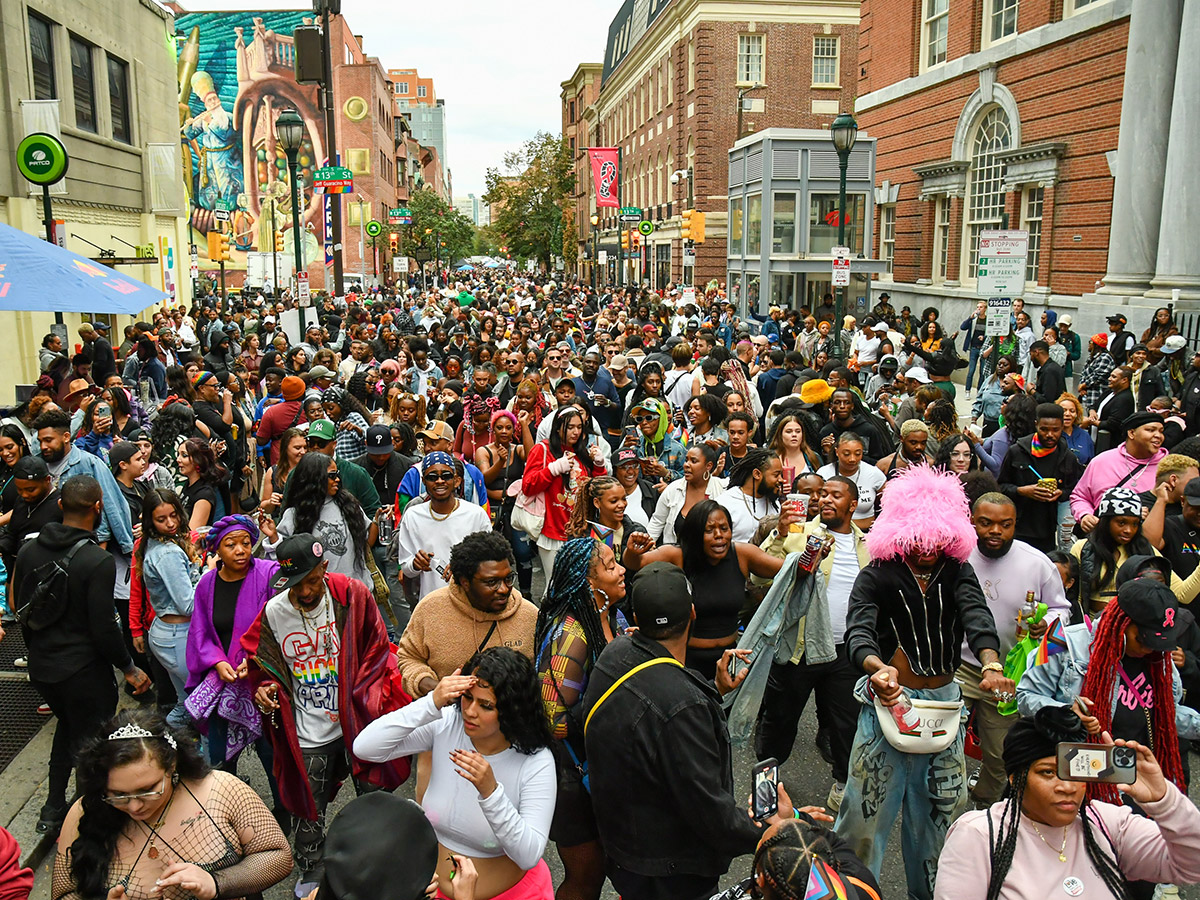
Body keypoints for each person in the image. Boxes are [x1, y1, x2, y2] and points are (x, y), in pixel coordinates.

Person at [834, 464, 1010, 900]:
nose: (928, 547)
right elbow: (859, 628)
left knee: (942, 820)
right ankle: (852, 894)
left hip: (945, 705)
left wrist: (990, 664)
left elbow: (976, 615)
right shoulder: (878, 572)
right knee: (863, 816)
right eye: (919, 538)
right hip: (887, 704)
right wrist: (877, 669)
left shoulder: (957, 570)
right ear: (900, 530)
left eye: (937, 538)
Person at [582, 562, 790, 900]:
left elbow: (651, 719)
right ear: (693, 613)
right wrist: (776, 831)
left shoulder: (615, 653)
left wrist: (713, 690)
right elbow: (710, 812)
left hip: (622, 849)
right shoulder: (685, 706)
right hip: (668, 871)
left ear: (635, 618)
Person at [242, 533, 411, 895]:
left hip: (359, 722)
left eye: (312, 580)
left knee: (374, 799)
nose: (305, 592)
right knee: (307, 807)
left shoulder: (352, 595)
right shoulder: (274, 612)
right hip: (308, 728)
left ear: (324, 567)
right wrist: (266, 688)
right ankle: (311, 871)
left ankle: (378, 862)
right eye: (296, 584)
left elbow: (378, 650)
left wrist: (364, 699)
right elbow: (262, 663)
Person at [935, 704, 1200, 900]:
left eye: (1075, 773)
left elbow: (1192, 866)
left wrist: (1164, 801)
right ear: (1015, 779)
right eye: (1048, 773)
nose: (1067, 787)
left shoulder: (1107, 823)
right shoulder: (979, 835)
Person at [8, 475, 151, 836]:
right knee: (92, 746)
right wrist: (129, 667)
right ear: (98, 507)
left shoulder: (28, 551)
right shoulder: (96, 561)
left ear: (60, 505)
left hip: (44, 669)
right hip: (84, 672)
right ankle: (86, 821)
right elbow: (104, 627)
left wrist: (37, 651)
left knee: (68, 727)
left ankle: (53, 808)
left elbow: (21, 611)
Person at [355, 648, 557, 900]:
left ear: (512, 710)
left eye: (486, 705)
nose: (470, 711)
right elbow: (365, 747)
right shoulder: (449, 722)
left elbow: (529, 855)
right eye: (467, 697)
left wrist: (491, 793)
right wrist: (431, 702)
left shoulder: (536, 761)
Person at [51, 708, 293, 900]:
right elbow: (64, 893)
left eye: (148, 790)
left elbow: (278, 856)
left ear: (172, 766)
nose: (134, 807)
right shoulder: (84, 811)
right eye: (118, 794)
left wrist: (217, 882)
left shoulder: (221, 789)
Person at [756, 476, 869, 812]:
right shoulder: (800, 532)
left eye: (836, 495)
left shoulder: (867, 545)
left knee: (847, 723)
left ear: (853, 504)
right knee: (779, 720)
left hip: (844, 651)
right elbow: (759, 576)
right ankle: (765, 787)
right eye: (823, 495)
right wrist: (779, 534)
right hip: (799, 649)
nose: (826, 500)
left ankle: (842, 785)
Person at [532, 537, 630, 900]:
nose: (622, 570)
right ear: (589, 584)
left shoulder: (614, 617)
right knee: (586, 876)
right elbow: (554, 721)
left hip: (604, 769)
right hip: (573, 777)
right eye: (611, 566)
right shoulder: (570, 637)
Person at [960, 493, 1070, 806]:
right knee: (945, 743)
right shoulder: (959, 555)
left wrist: (1046, 623)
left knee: (1001, 754)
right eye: (986, 523)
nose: (995, 531)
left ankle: (985, 807)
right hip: (960, 667)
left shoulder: (1037, 563)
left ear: (1015, 525)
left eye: (1005, 525)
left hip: (1010, 673)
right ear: (972, 521)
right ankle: (945, 805)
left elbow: (1062, 609)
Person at [625, 500, 782, 679]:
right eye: (709, 530)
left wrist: (802, 545)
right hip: (687, 660)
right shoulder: (677, 555)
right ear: (695, 534)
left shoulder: (743, 554)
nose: (719, 535)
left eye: (724, 528)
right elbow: (635, 563)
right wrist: (632, 551)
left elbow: (789, 569)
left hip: (729, 660)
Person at [184, 516, 281, 804]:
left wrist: (255, 660)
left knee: (272, 756)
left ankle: (285, 814)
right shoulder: (207, 584)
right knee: (220, 760)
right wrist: (216, 661)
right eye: (231, 544)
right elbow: (200, 632)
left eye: (246, 543)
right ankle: (226, 811)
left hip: (262, 679)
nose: (240, 550)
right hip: (223, 681)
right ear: (217, 549)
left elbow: (279, 624)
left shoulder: (267, 574)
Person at [396, 530, 538, 700]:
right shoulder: (430, 609)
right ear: (465, 582)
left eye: (508, 579)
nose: (504, 589)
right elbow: (409, 658)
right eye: (491, 582)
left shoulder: (530, 616)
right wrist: (436, 690)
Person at [1068, 488, 1200, 615]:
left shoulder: (1146, 550)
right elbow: (1076, 598)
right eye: (1121, 523)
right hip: (1093, 625)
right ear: (1105, 521)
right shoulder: (1082, 549)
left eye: (1135, 524)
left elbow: (1182, 594)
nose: (1129, 530)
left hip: (1133, 626)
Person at [263, 452, 378, 595]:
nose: (337, 479)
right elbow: (284, 560)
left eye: (337, 474)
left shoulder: (349, 506)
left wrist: (377, 520)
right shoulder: (294, 515)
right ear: (316, 478)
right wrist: (273, 536)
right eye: (332, 475)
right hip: (317, 597)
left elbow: (367, 543)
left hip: (355, 593)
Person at [136, 489, 202, 729]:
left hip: (165, 632)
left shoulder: (157, 543)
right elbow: (188, 605)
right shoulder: (168, 553)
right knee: (202, 702)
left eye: (173, 515)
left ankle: (167, 742)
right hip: (177, 637)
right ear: (150, 521)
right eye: (161, 519)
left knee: (185, 704)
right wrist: (209, 571)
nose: (171, 523)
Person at [394, 452, 494, 603]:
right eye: (432, 477)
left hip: (471, 601)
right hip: (431, 603)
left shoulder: (476, 515)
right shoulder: (413, 516)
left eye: (446, 476)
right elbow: (406, 568)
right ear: (424, 481)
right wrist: (415, 564)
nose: (439, 481)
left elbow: (491, 560)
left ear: (456, 480)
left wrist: (464, 568)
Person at [521, 408, 606, 583]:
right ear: (558, 428)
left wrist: (599, 465)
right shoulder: (542, 449)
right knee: (555, 586)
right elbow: (528, 486)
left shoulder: (583, 453)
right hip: (553, 531)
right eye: (570, 427)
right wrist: (553, 469)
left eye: (579, 427)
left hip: (581, 532)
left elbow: (597, 491)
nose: (576, 432)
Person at [33, 407, 135, 553]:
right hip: (47, 544)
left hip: (86, 546)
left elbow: (112, 505)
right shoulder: (37, 466)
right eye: (40, 441)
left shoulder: (89, 464)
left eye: (48, 440)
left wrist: (125, 546)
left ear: (66, 437)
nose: (43, 446)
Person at [997, 403, 1083, 553]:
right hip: (1017, 527)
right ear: (1036, 425)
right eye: (1044, 429)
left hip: (1047, 531)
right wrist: (1021, 491)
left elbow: (1074, 490)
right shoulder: (1017, 452)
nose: (1050, 434)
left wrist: (1060, 493)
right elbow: (1000, 487)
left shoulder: (1067, 457)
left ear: (1062, 427)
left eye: (1055, 430)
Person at [1070, 412, 1166, 535]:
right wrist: (1085, 515)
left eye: (1161, 431)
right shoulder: (1102, 461)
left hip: (1145, 542)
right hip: (1101, 538)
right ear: (1131, 433)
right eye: (1150, 430)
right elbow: (1080, 496)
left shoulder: (1168, 468)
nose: (1158, 435)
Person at [648, 444, 727, 546]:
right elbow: (657, 522)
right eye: (686, 460)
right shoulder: (673, 489)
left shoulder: (722, 489)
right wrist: (645, 546)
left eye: (693, 461)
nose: (686, 465)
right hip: (674, 553)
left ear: (708, 466)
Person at [817, 433, 885, 530]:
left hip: (866, 532)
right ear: (837, 452)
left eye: (858, 454)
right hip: (830, 532)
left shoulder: (874, 473)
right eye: (846, 454)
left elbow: (889, 506)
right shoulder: (823, 473)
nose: (852, 459)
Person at [716, 449, 782, 544]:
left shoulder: (774, 503)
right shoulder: (725, 503)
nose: (781, 480)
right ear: (757, 474)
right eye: (776, 475)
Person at [177, 437, 225, 530]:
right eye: (178, 454)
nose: (178, 459)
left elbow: (193, 533)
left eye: (184, 455)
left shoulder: (204, 495)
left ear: (198, 460)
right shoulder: (189, 484)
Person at [1057, 393, 1095, 467]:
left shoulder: (1084, 435)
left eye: (1072, 411)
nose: (1067, 414)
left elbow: (1091, 462)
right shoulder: (1053, 435)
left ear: (1077, 414)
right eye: (1063, 410)